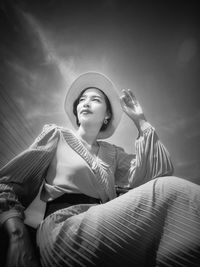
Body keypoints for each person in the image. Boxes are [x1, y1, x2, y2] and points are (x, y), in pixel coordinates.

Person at [0, 72, 200, 267]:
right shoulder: (56, 135)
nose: (86, 103)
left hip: (109, 230)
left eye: (95, 99)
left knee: (176, 248)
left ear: (107, 116)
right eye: (81, 100)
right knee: (170, 192)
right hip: (64, 231)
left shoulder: (113, 154)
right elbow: (6, 185)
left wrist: (141, 120)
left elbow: (158, 170)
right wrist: (17, 235)